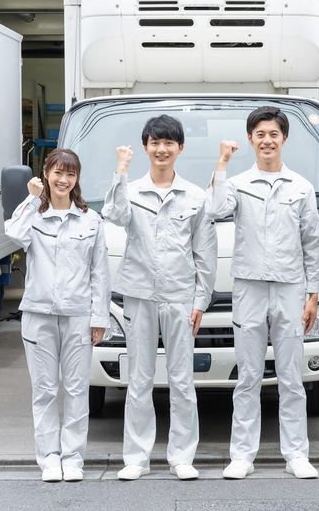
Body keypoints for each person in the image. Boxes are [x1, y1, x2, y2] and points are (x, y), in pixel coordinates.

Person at [207, 106, 319, 480]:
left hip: (290, 288)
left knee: (291, 377)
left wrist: (313, 293)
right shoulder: (238, 184)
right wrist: (222, 164)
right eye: (260, 134)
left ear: (284, 138)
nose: (267, 140)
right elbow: (214, 208)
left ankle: (296, 454)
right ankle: (242, 456)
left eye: (274, 134)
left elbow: (312, 242)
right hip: (250, 288)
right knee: (248, 376)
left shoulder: (301, 187)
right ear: (250, 139)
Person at [103, 115, 217, 481]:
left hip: (180, 295)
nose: (161, 149)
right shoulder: (131, 191)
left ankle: (182, 457)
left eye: (168, 143)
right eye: (155, 142)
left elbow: (205, 253)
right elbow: (114, 214)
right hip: (139, 294)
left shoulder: (195, 196)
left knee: (182, 379)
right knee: (139, 378)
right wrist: (120, 171)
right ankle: (136, 458)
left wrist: (200, 301)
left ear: (180, 148)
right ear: (146, 147)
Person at [4, 148, 111, 483]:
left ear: (77, 179)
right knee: (45, 390)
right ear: (46, 174)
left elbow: (100, 272)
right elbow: (14, 234)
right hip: (39, 315)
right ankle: (49, 458)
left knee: (77, 389)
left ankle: (73, 457)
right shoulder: (33, 216)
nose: (63, 180)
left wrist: (99, 318)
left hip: (78, 315)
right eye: (58, 173)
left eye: (70, 174)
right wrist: (32, 198)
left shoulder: (91, 220)